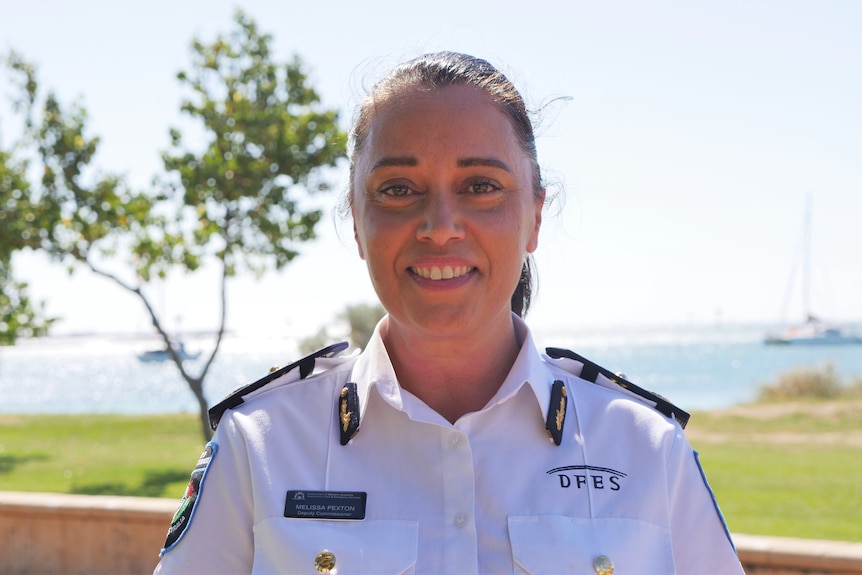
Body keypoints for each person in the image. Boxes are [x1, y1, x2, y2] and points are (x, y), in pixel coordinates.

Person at [154, 51, 745, 574]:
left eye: (481, 185)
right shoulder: (260, 448)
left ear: (535, 216)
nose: (439, 227)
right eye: (397, 190)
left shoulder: (644, 448)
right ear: (357, 224)